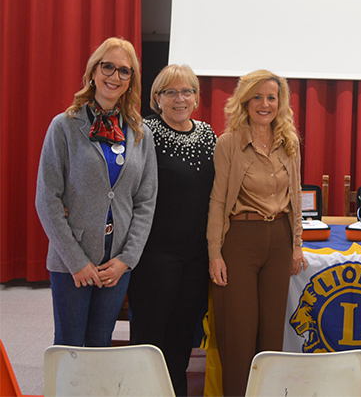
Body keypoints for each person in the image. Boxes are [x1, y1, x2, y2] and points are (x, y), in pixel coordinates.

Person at [35, 37, 157, 347]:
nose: (115, 76)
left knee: (101, 344)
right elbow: (47, 199)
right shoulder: (63, 126)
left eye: (124, 71)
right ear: (93, 72)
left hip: (116, 263)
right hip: (71, 260)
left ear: (131, 81)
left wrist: (126, 260)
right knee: (70, 345)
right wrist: (76, 261)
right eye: (108, 67)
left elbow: (146, 202)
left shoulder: (141, 133)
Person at [207, 69, 308, 396]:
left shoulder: (289, 143)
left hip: (279, 240)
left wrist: (296, 245)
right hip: (240, 240)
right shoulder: (229, 143)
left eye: (271, 98)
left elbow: (295, 197)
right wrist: (214, 253)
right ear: (245, 101)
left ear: (280, 103)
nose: (265, 104)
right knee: (239, 334)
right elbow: (217, 200)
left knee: (271, 336)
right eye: (258, 97)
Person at [127, 64, 217, 396]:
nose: (180, 99)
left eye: (187, 91)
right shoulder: (144, 132)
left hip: (196, 258)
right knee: (149, 336)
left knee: (182, 336)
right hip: (154, 256)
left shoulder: (207, 134)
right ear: (157, 98)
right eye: (171, 92)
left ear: (196, 97)